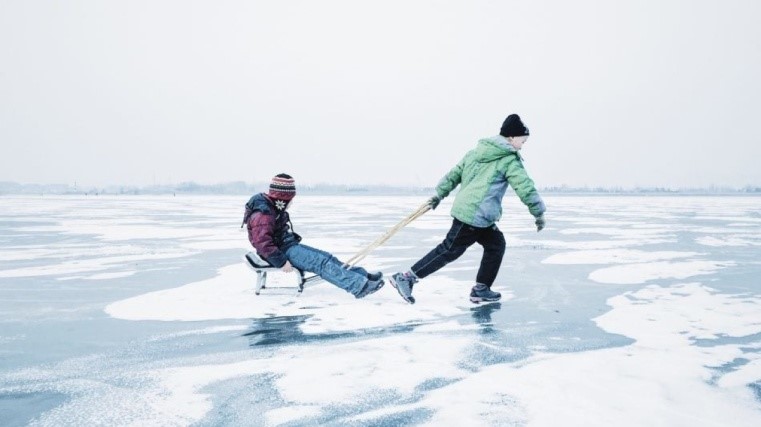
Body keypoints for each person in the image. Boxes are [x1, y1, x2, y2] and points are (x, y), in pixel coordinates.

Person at [389, 114, 546, 304]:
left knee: (496, 244)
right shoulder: (509, 160)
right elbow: (525, 187)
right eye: (523, 140)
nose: (522, 145)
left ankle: (481, 288)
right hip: (473, 216)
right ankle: (406, 278)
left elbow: (454, 174)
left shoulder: (475, 153)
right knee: (449, 250)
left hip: (481, 217)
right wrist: (538, 213)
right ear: (512, 137)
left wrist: (440, 193)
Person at [243, 173, 385, 298]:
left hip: (287, 246)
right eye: (290, 199)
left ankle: (361, 276)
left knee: (327, 258)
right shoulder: (263, 213)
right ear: (282, 197)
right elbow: (262, 242)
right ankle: (359, 287)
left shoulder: (272, 207)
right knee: (320, 263)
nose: (291, 202)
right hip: (280, 251)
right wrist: (280, 261)